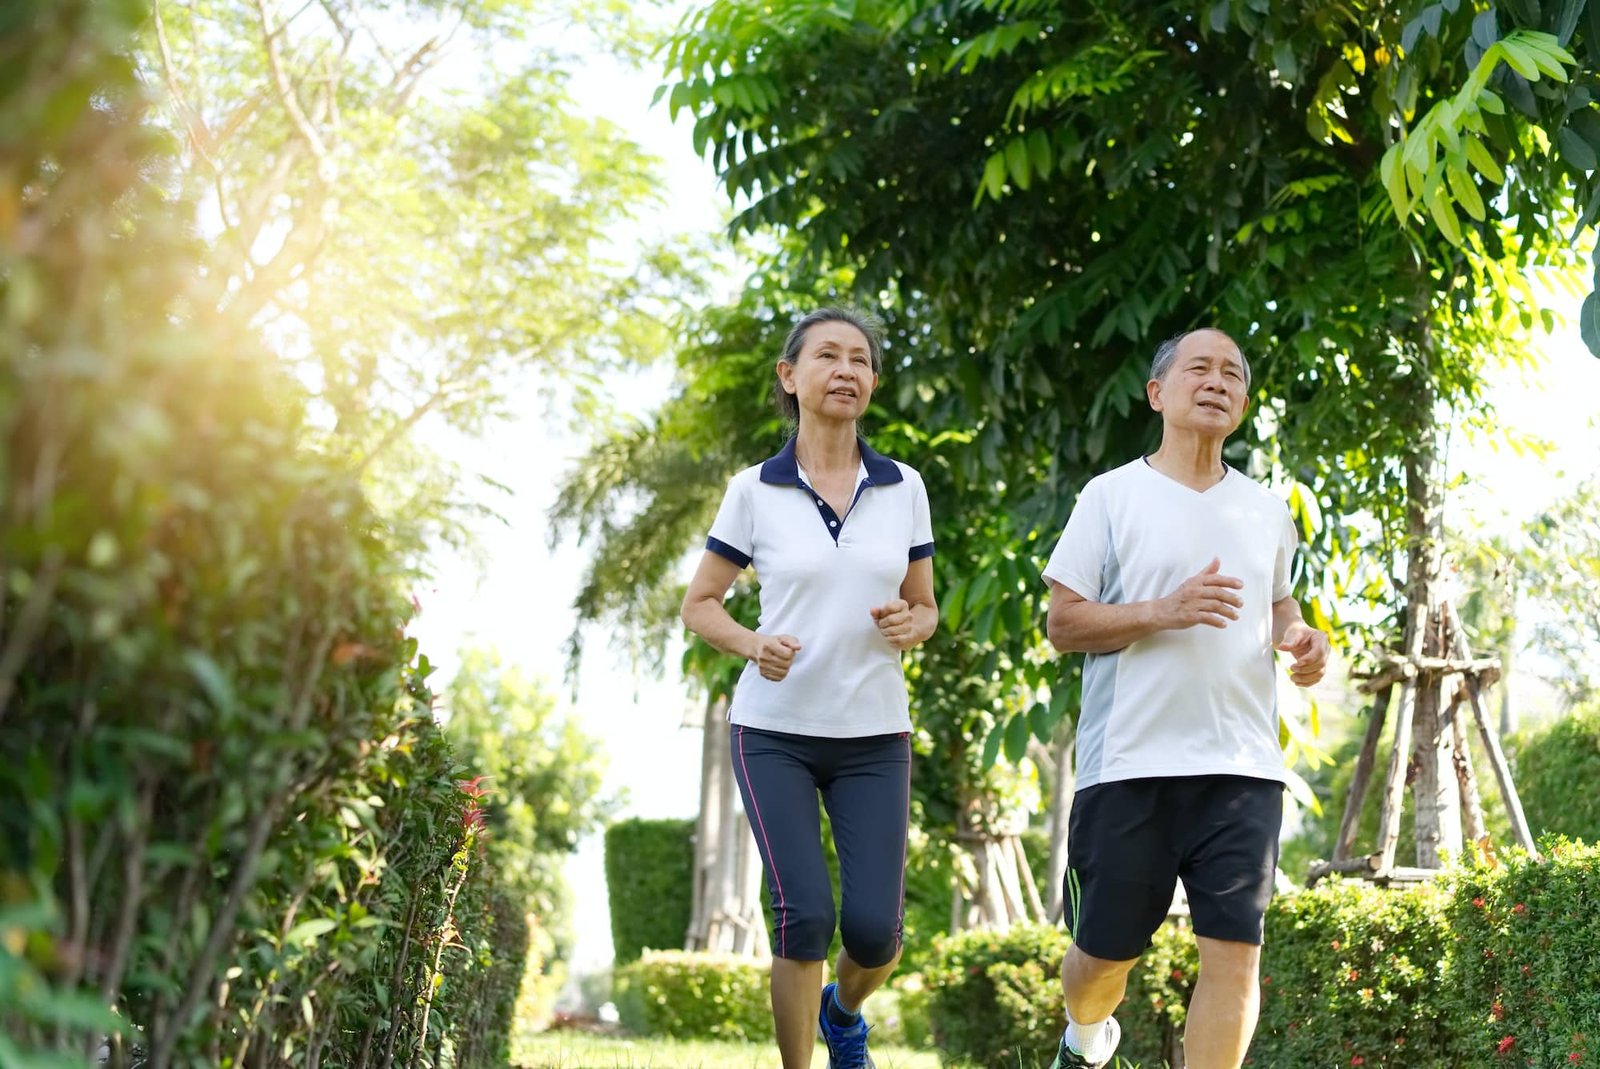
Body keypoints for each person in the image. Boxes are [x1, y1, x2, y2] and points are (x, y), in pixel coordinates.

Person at [1039, 328, 1331, 1069]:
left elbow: (1279, 605)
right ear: (1157, 393)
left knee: (1235, 954)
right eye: (1198, 367)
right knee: (1104, 958)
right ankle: (1085, 1036)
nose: (1217, 379)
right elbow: (1063, 622)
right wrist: (1159, 610)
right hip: (1129, 764)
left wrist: (1301, 638)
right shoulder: (1110, 496)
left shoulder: (1266, 509)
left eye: (1232, 371)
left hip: (1242, 765)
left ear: (1242, 400)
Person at [680, 307, 938, 1069]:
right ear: (790, 377)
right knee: (803, 915)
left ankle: (844, 1009)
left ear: (874, 382)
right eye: (828, 355)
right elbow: (701, 603)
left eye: (861, 358)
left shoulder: (904, 487)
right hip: (775, 732)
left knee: (875, 934)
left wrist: (911, 623)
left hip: (873, 735)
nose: (847, 370)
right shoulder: (754, 490)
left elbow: (926, 605)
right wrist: (754, 643)